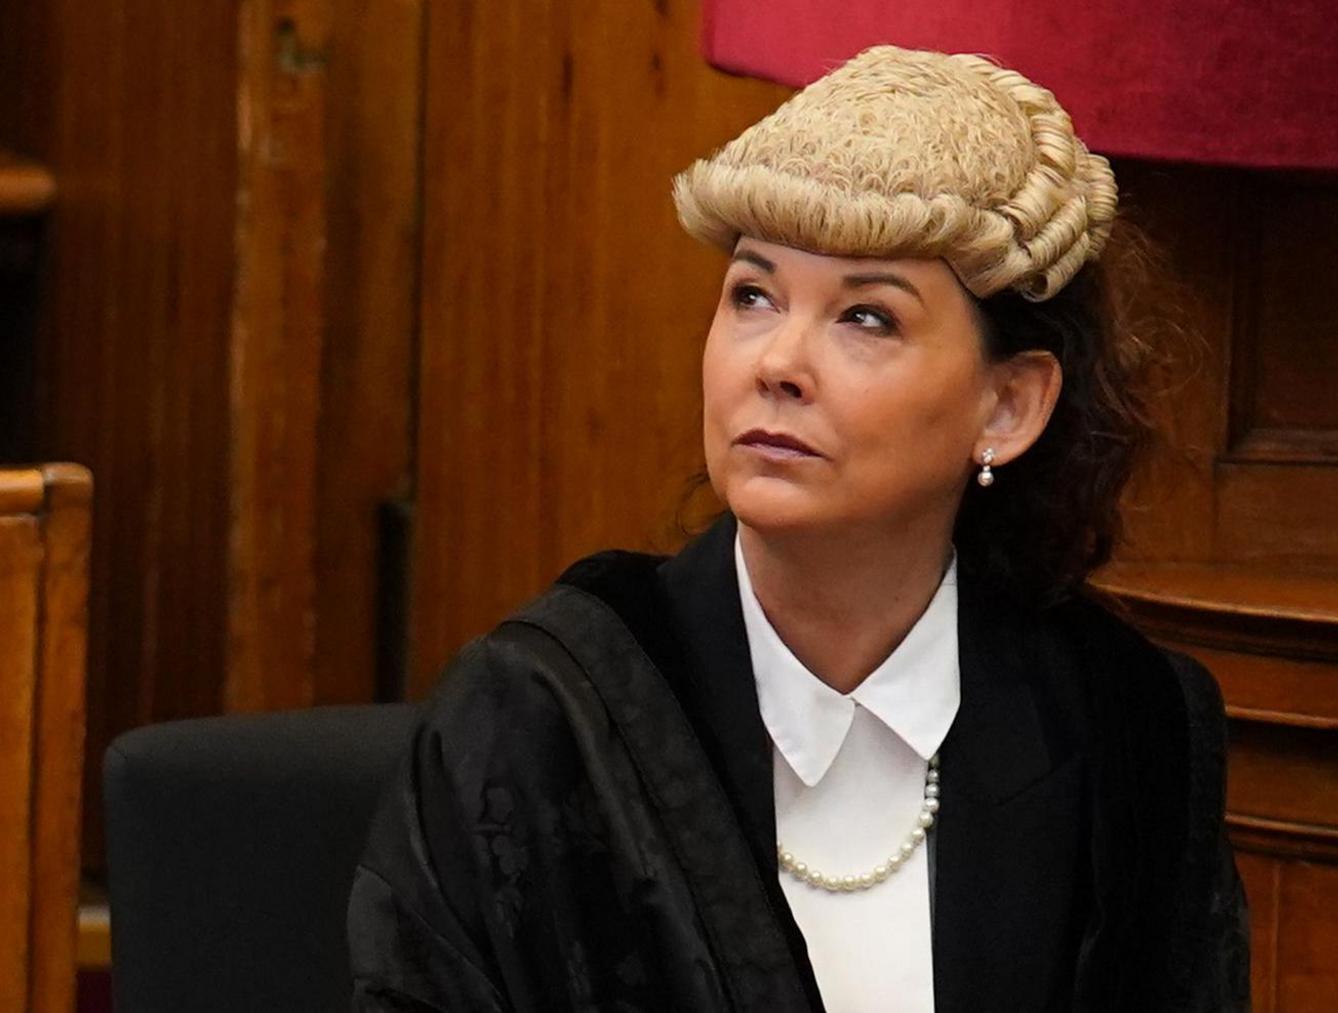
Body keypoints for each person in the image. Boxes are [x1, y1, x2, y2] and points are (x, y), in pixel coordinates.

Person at [347, 44, 1249, 1012]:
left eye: (866, 316)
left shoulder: (1129, 726)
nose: (777, 360)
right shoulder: (539, 715)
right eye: (753, 294)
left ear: (1009, 406)